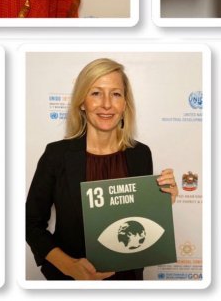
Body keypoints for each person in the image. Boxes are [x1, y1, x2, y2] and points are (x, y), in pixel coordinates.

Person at [25, 58, 178, 281]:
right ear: (82, 102)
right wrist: (69, 266)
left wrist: (160, 203)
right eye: (96, 93)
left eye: (116, 94)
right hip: (71, 284)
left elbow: (135, 220)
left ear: (125, 103)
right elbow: (30, 223)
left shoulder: (140, 154)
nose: (106, 104)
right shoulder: (57, 155)